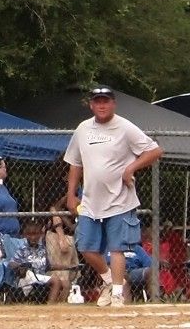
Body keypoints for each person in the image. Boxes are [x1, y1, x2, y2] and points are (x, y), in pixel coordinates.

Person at [64, 86, 164, 308]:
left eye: (106, 101)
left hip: (120, 199)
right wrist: (71, 194)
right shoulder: (83, 129)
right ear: (91, 104)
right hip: (91, 200)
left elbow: (155, 151)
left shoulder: (124, 127)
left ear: (113, 104)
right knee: (86, 247)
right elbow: (75, 163)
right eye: (97, 101)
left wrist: (131, 168)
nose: (102, 105)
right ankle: (109, 280)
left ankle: (118, 294)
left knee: (117, 247)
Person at [8, 218, 62, 303]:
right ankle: (51, 306)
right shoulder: (23, 249)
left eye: (36, 234)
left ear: (40, 234)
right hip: (27, 277)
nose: (33, 237)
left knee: (63, 281)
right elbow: (11, 263)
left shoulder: (42, 249)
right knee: (56, 281)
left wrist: (69, 267)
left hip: (40, 277)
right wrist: (22, 265)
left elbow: (48, 265)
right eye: (30, 234)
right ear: (25, 235)